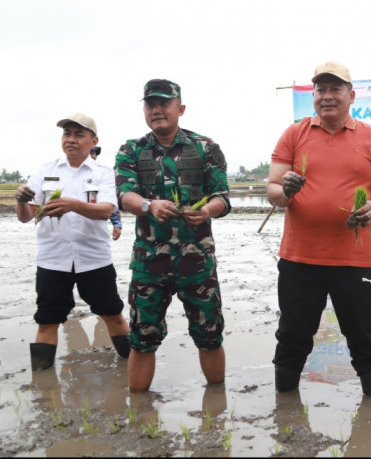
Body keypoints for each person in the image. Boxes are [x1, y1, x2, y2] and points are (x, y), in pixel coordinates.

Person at [266, 61, 371, 397]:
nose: (327, 96)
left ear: (351, 95)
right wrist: (286, 191)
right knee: (293, 335)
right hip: (299, 259)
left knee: (365, 338)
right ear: (313, 96)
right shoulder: (294, 134)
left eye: (335, 89)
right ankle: (286, 412)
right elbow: (273, 190)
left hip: (355, 260)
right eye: (320, 89)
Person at [115, 78, 231, 392]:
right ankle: (139, 411)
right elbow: (124, 195)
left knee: (209, 336)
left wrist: (207, 211)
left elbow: (222, 196)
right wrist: (148, 205)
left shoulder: (205, 148)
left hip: (198, 263)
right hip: (149, 263)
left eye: (164, 103)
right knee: (142, 339)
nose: (156, 110)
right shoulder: (131, 150)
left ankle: (216, 413)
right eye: (150, 104)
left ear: (180, 108)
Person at [14, 113, 130, 371]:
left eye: (79, 134)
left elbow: (105, 210)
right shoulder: (45, 170)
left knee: (112, 313)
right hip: (53, 260)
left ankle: (130, 368)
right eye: (67, 134)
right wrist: (21, 201)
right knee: (47, 320)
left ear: (93, 140)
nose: (71, 139)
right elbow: (26, 217)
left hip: (95, 259)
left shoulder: (104, 173)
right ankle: (43, 386)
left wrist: (73, 205)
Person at [90, 145, 122, 240]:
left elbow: (111, 202)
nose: (91, 156)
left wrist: (117, 224)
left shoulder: (105, 173)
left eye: (93, 153)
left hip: (97, 227)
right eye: (89, 153)